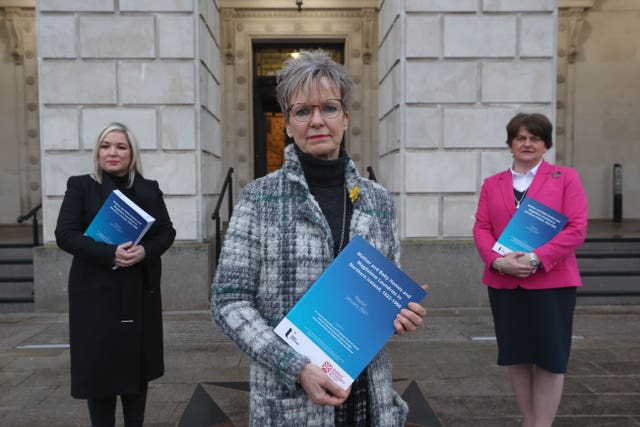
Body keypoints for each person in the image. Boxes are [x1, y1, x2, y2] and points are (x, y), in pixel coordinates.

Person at [210, 49, 427, 426]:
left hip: (367, 399)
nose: (317, 121)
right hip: (291, 401)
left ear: (345, 116)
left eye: (328, 107)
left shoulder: (378, 202)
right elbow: (228, 302)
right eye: (302, 111)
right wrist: (295, 367)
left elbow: (382, 295)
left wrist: (400, 314)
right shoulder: (259, 198)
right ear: (288, 125)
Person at [55, 122, 176, 427]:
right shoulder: (81, 186)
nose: (112, 152)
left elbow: (166, 232)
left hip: (137, 296)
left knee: (136, 372)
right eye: (106, 145)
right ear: (97, 151)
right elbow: (65, 234)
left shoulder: (148, 189)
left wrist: (144, 251)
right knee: (99, 373)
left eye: (120, 146)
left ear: (132, 153)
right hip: (95, 296)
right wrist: (110, 253)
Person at [472, 113, 588, 427]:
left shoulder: (565, 178)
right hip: (505, 284)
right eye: (520, 137)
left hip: (552, 283)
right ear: (510, 143)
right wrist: (498, 262)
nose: (527, 144)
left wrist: (535, 258)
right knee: (517, 355)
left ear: (546, 144)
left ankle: (542, 424)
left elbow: (576, 229)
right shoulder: (491, 184)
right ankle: (528, 420)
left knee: (550, 358)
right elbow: (482, 228)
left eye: (534, 138)